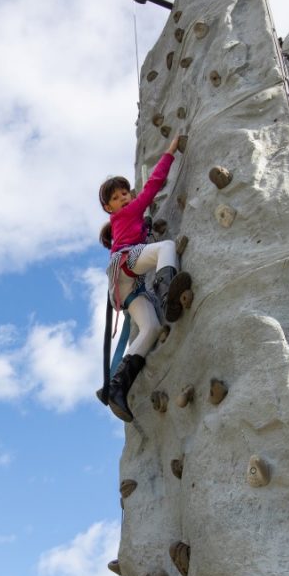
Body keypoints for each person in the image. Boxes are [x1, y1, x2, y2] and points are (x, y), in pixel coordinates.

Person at [97, 135, 191, 422]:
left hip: (128, 287)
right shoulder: (129, 212)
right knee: (166, 247)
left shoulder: (128, 218)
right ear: (109, 207)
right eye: (116, 197)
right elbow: (153, 186)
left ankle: (117, 388)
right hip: (127, 264)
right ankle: (167, 294)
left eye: (124, 192)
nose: (123, 197)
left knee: (149, 327)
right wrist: (171, 151)